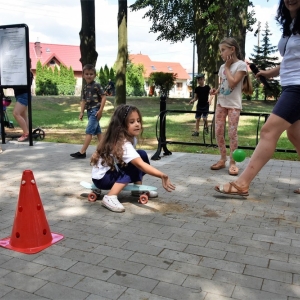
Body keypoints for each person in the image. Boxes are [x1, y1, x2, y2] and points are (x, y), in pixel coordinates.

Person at [215, 0, 300, 196]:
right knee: (295, 135)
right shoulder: (292, 24)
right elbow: (291, 60)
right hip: (290, 85)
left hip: (297, 88)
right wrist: (268, 73)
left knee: (268, 131)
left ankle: (242, 183)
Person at [90, 104, 176, 213]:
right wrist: (162, 175)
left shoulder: (129, 137)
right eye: (132, 122)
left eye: (138, 121)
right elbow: (140, 165)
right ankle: (110, 197)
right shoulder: (123, 143)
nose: (137, 124)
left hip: (110, 172)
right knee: (135, 164)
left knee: (141, 154)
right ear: (121, 125)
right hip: (102, 179)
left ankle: (137, 189)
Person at [210, 37, 253, 176]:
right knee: (218, 131)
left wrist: (228, 67)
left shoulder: (240, 66)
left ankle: (232, 162)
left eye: (223, 50)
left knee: (232, 133)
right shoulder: (222, 67)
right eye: (220, 51)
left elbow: (233, 83)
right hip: (221, 103)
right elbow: (224, 85)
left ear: (232, 49)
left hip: (234, 105)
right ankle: (222, 159)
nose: (221, 53)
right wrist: (215, 91)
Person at [70, 64, 107, 159]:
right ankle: (105, 150)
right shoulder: (85, 87)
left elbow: (103, 97)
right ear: (83, 75)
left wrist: (100, 110)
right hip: (89, 111)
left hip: (95, 111)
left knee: (89, 131)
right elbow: (83, 100)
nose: (89, 76)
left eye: (91, 74)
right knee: (98, 132)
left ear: (95, 75)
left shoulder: (97, 85)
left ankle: (82, 152)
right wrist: (81, 112)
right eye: (86, 74)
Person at [12, 60, 34, 142]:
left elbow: (24, 86)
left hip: (24, 96)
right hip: (20, 96)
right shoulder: (22, 73)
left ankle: (26, 133)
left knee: (16, 113)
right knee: (23, 115)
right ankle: (28, 133)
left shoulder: (27, 73)